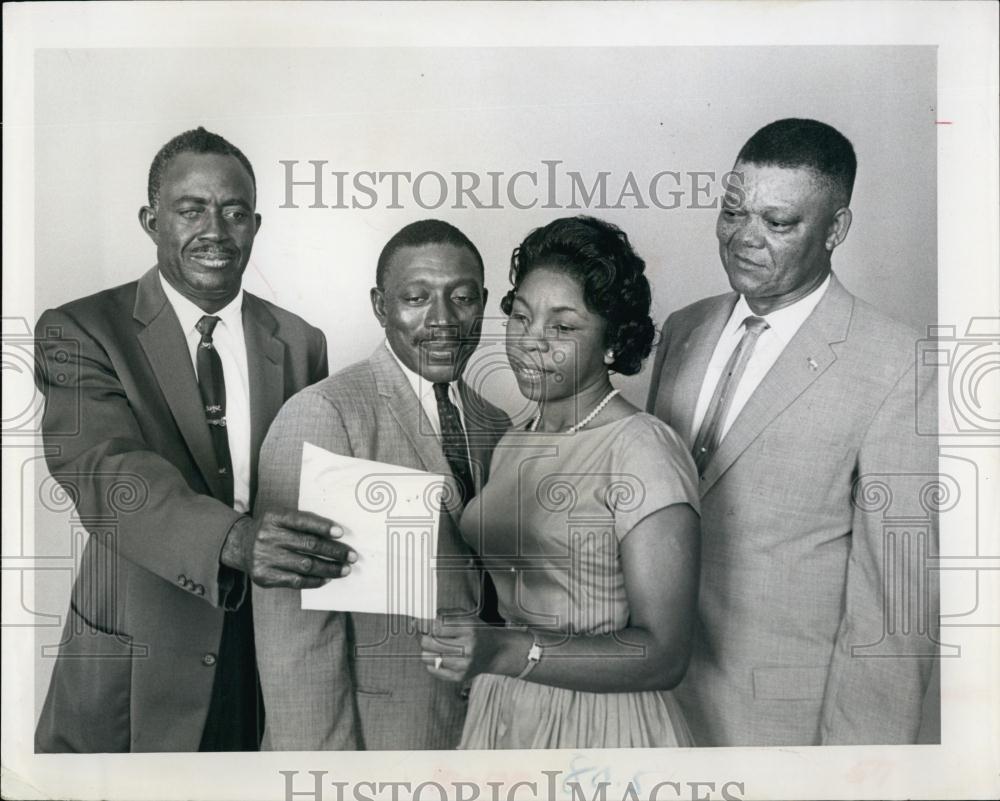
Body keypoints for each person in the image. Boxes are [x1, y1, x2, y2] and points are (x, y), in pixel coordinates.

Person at [34, 127, 354, 753]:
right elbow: (105, 473)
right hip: (136, 657)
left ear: (255, 225)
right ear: (151, 220)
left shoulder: (299, 341)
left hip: (264, 652)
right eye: (191, 210)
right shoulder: (79, 329)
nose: (216, 229)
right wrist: (236, 539)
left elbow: (314, 487)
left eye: (235, 212)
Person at [646, 118, 939, 746]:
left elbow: (897, 611)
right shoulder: (683, 328)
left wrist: (857, 776)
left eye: (778, 223)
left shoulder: (898, 364)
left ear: (835, 230)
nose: (744, 238)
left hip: (783, 729)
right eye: (731, 212)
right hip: (649, 711)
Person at [421, 215, 700, 749]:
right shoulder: (511, 440)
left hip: (603, 726)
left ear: (612, 340)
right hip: (503, 709)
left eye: (563, 327)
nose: (531, 343)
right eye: (522, 318)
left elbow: (664, 655)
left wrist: (508, 651)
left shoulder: (641, 447)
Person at [253, 219, 512, 750]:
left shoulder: (497, 424)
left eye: (461, 298)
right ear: (380, 305)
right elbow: (294, 638)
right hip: (373, 747)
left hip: (482, 737)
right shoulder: (325, 415)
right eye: (416, 298)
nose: (442, 320)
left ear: (483, 302)